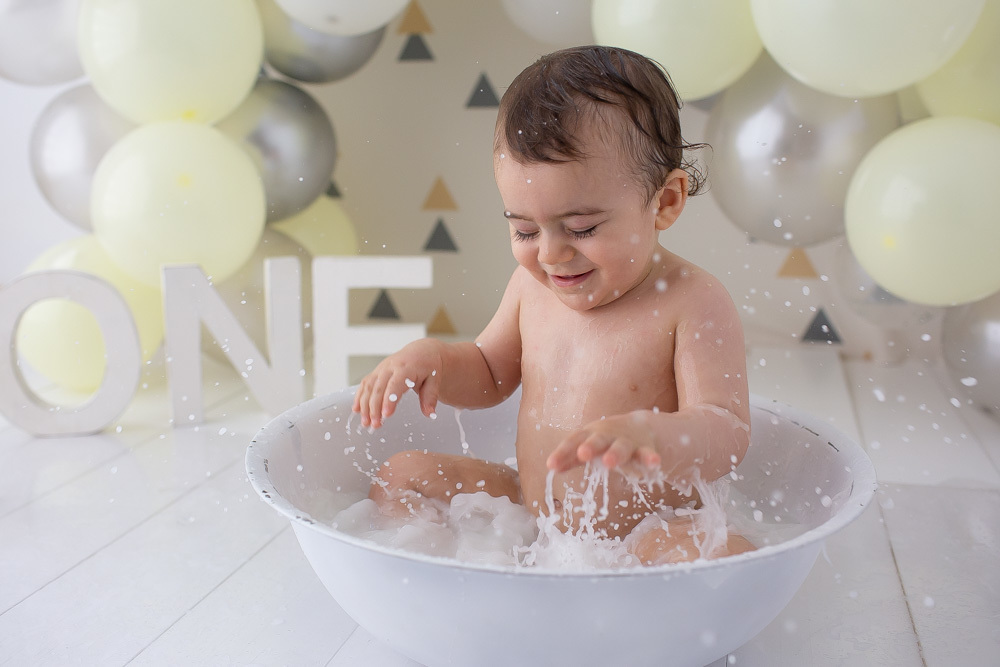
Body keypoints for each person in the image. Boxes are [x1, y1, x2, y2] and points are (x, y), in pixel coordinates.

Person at [353, 45, 753, 564]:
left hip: (645, 533)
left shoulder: (691, 301)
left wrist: (656, 435)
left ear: (665, 201)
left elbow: (727, 429)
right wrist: (432, 359)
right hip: (530, 509)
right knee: (402, 474)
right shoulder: (532, 287)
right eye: (523, 229)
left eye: (581, 228)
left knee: (721, 553)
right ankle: (445, 576)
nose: (549, 253)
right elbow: (489, 373)